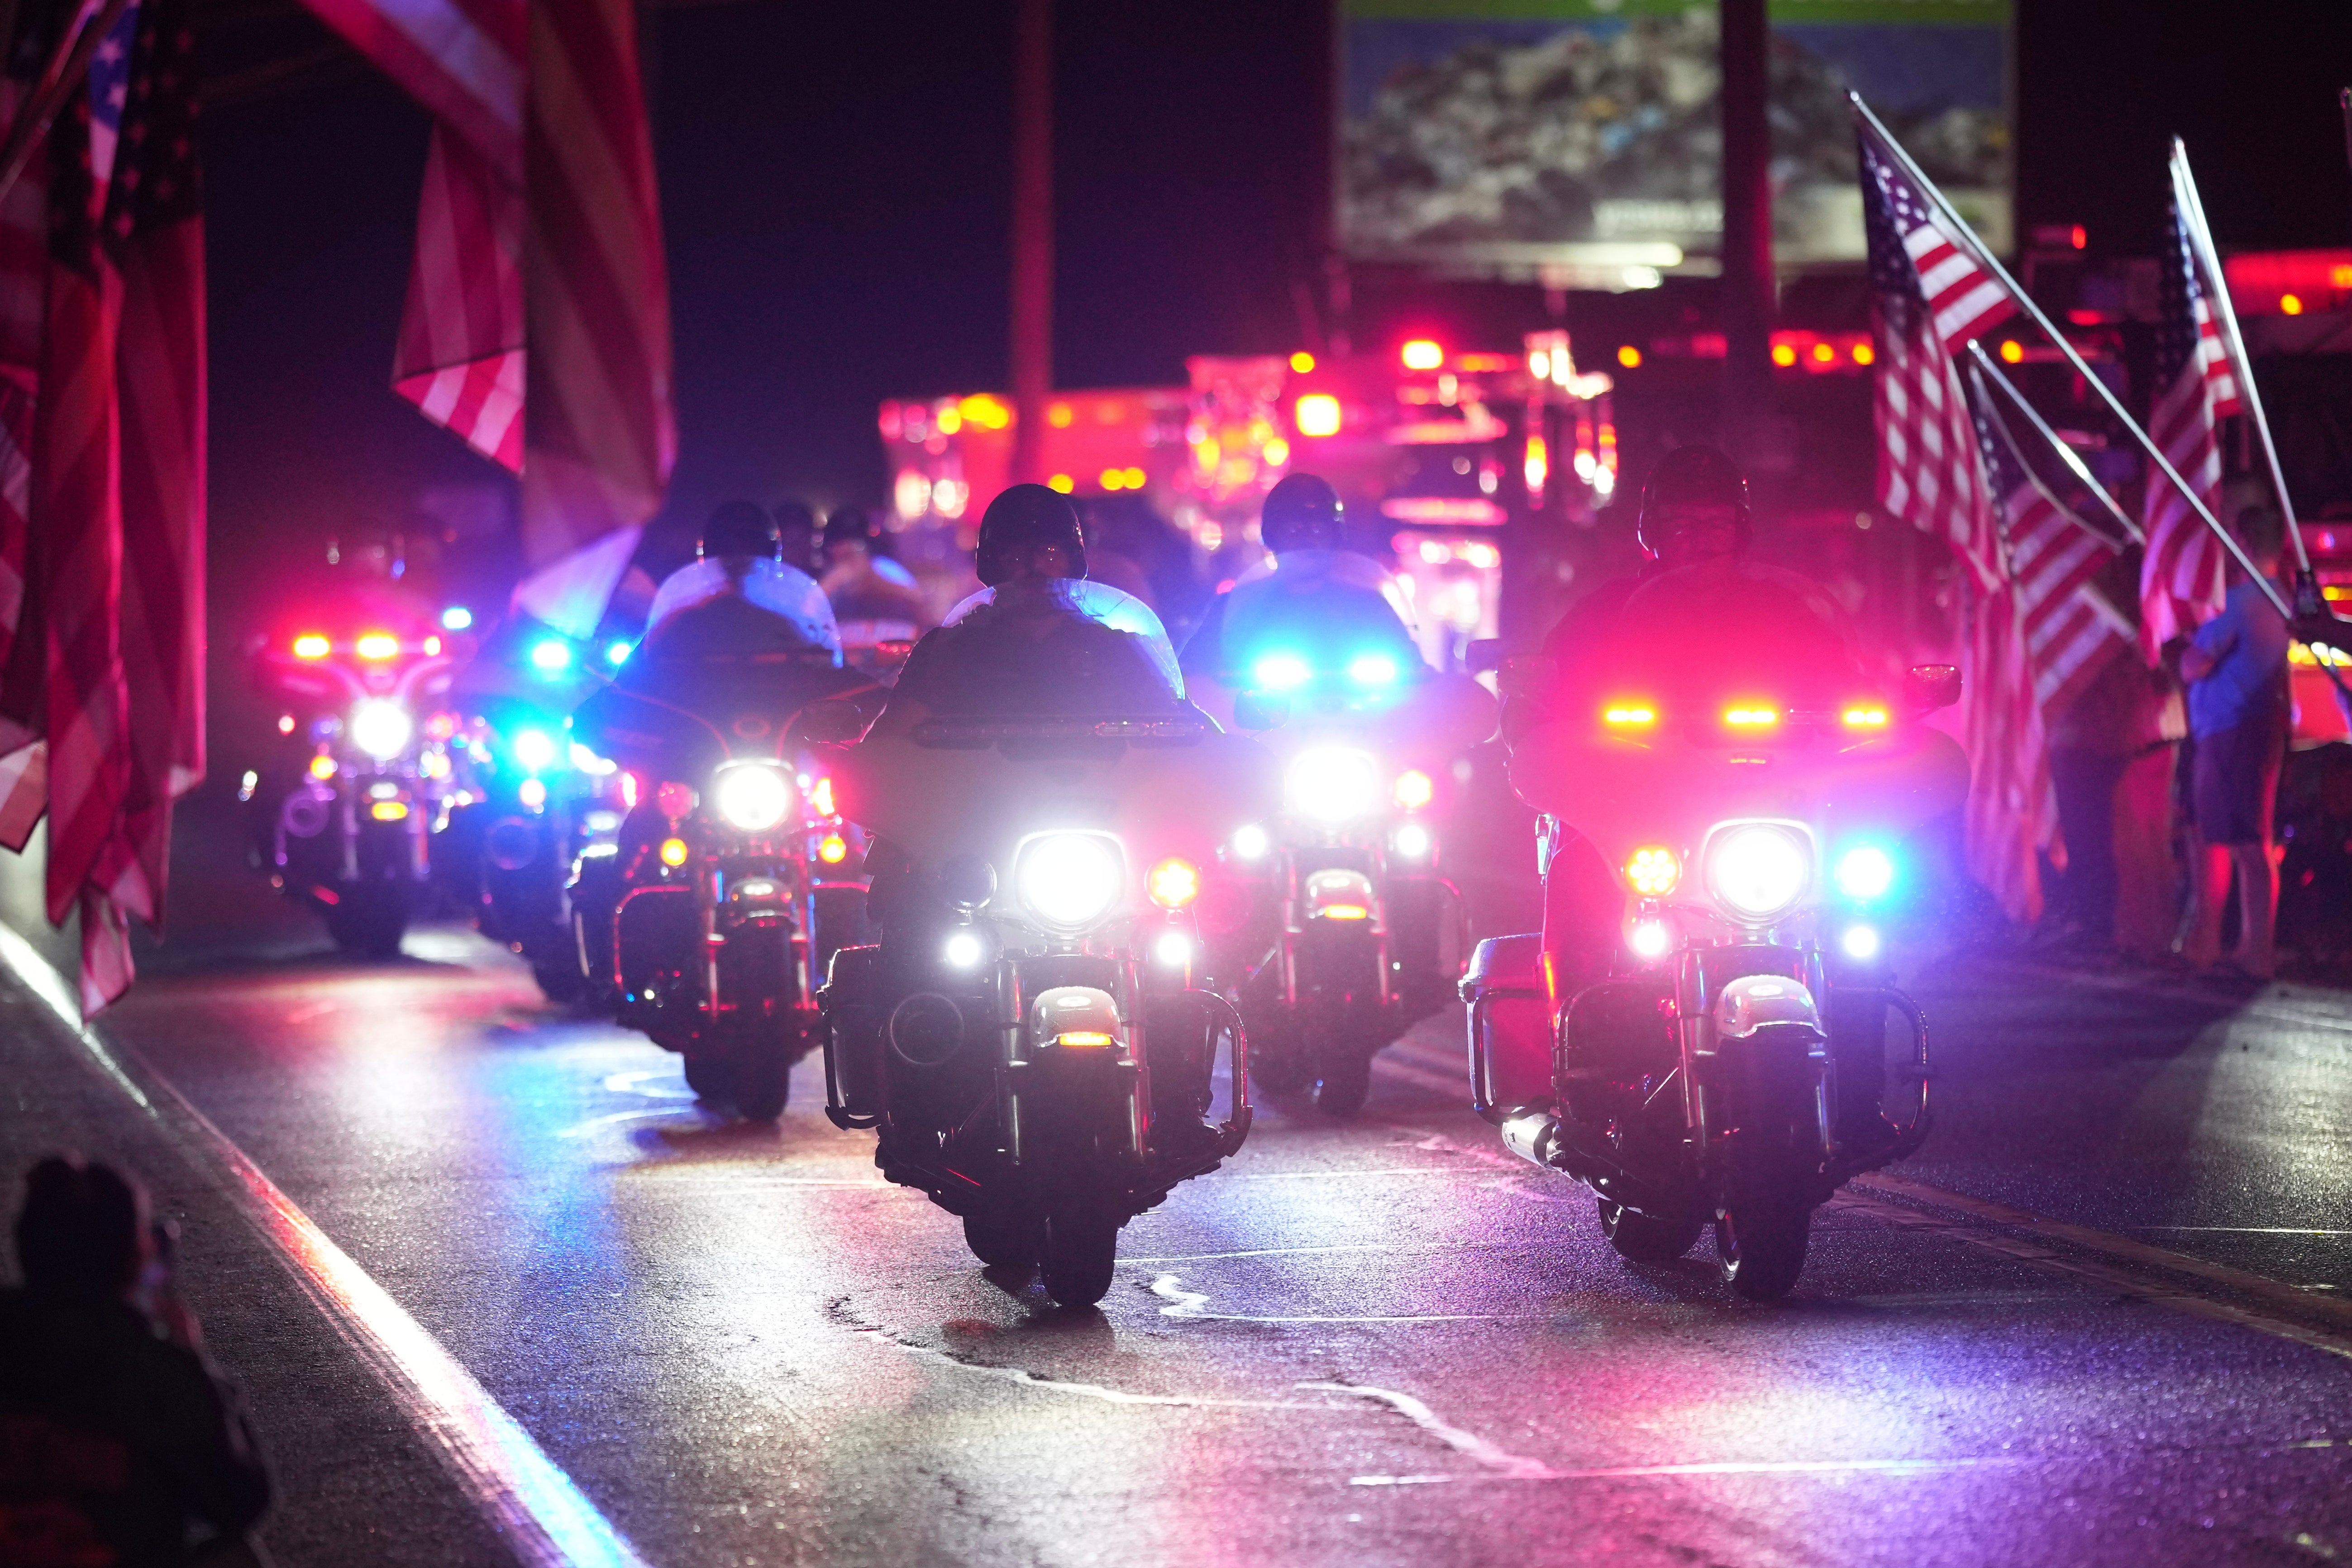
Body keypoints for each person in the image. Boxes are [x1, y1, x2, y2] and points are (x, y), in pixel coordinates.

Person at [0, 1156, 272, 1567]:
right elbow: (243, 1499)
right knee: (238, 1556)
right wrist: (195, 1362)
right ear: (130, 1259)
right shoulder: (151, 1364)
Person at [1178, 474, 1426, 721]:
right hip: (1260, 737)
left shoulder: (1369, 606)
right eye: (1293, 529)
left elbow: (1418, 675)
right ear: (1273, 536)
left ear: (1335, 536)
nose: (1306, 539)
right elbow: (1190, 676)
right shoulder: (1237, 606)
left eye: (1318, 529)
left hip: (1361, 731)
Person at [2179, 504, 2293, 978]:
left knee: (2233, 839)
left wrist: (2184, 646)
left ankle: (2228, 948)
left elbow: (2194, 664)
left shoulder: (2243, 601)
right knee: (2249, 838)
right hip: (2258, 726)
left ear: (2243, 543)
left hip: (2230, 729)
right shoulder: (2283, 597)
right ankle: (2252, 947)